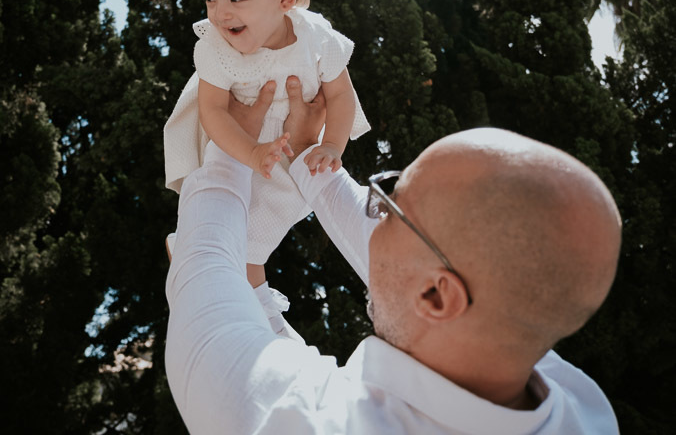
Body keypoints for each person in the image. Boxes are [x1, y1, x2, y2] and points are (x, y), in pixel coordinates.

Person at [165, 77, 621, 434]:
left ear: (438, 297)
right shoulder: (579, 408)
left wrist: (232, 147)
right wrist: (307, 155)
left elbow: (205, 285)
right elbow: (420, 262)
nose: (373, 208)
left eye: (389, 208)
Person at [163, 0, 370, 333]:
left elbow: (341, 95)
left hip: (295, 146)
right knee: (230, 204)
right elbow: (214, 112)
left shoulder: (318, 39)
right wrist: (251, 152)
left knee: (274, 213)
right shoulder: (216, 49)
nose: (220, 13)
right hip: (235, 138)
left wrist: (333, 143)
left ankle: (203, 254)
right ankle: (214, 263)